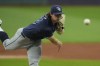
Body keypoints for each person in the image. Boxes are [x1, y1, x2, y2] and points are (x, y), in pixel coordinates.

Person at [0, 5, 65, 66]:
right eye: (56, 15)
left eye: (59, 15)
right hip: (23, 36)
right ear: (51, 14)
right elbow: (53, 40)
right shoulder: (45, 28)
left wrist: (61, 27)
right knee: (7, 46)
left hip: (36, 40)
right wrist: (58, 43)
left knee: (34, 62)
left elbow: (59, 27)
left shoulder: (49, 17)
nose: (58, 17)